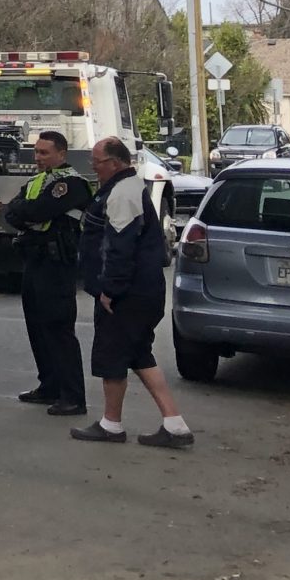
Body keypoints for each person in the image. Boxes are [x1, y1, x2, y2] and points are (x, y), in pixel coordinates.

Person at [70, 137, 195, 449]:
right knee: (139, 355)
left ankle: (111, 424)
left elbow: (119, 247)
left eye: (97, 162)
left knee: (111, 356)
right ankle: (175, 424)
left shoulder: (124, 193)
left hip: (128, 295)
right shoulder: (123, 189)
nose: (93, 168)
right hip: (142, 292)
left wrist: (110, 290)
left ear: (114, 162)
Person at [2, 129, 92, 416]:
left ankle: (73, 396)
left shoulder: (71, 183)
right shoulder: (36, 180)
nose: (38, 157)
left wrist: (25, 211)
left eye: (44, 152)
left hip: (57, 263)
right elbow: (12, 211)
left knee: (58, 328)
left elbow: (38, 211)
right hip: (35, 260)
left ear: (61, 154)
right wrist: (24, 211)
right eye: (36, 152)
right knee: (37, 326)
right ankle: (49, 385)